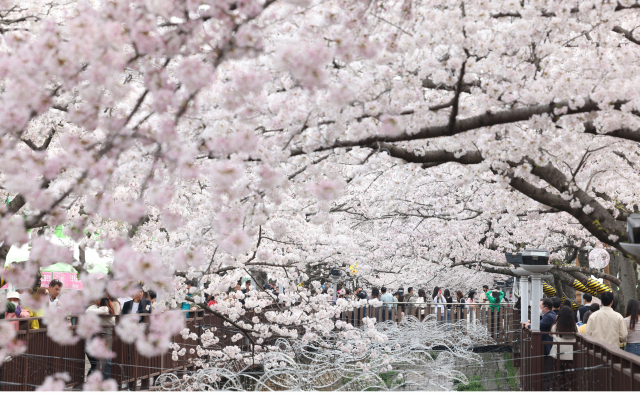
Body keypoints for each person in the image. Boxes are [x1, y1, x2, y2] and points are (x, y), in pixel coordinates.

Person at [523, 298, 556, 391]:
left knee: (547, 369)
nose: (539, 309)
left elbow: (538, 325)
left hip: (547, 346)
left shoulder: (549, 316)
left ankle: (546, 389)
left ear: (545, 308)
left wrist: (528, 325)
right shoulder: (549, 314)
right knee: (545, 368)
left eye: (540, 307)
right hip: (546, 344)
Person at [550, 306, 579, 391]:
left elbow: (551, 334)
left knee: (558, 378)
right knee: (570, 378)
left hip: (558, 356)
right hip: (571, 356)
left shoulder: (555, 326)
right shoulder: (575, 327)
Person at [86, 298, 115, 379]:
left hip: (104, 338)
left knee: (103, 363)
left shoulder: (104, 309)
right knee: (105, 362)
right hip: (106, 337)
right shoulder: (106, 309)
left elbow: (88, 311)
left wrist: (95, 305)